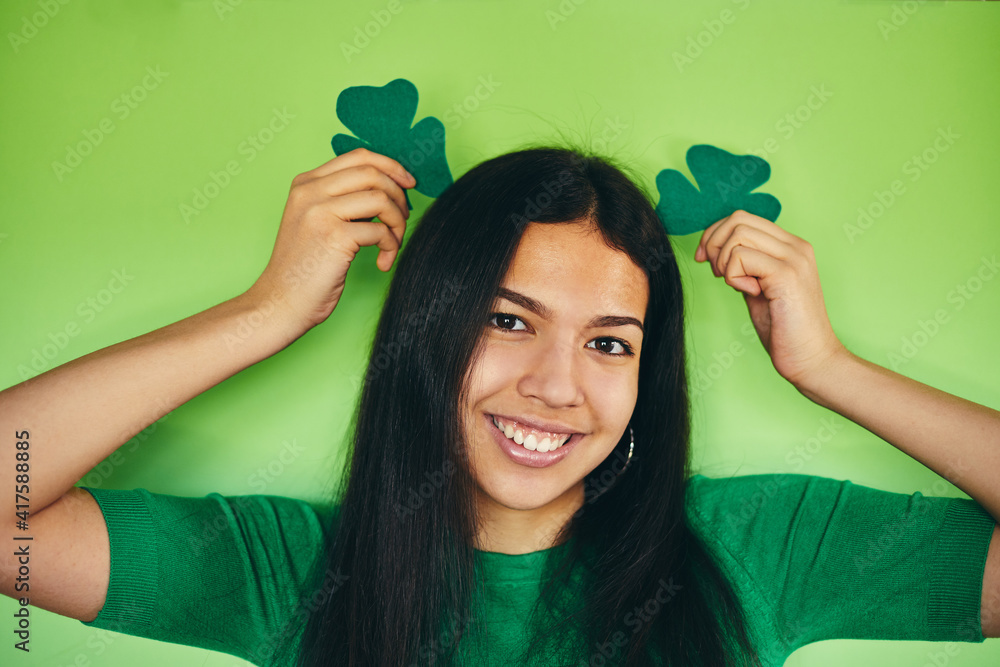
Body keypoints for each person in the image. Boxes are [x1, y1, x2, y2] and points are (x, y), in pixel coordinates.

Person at [1, 146, 998, 666]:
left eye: (610, 342)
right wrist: (263, 315)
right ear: (427, 332)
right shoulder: (293, 571)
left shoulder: (760, 546)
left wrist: (828, 369)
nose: (557, 385)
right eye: (507, 321)